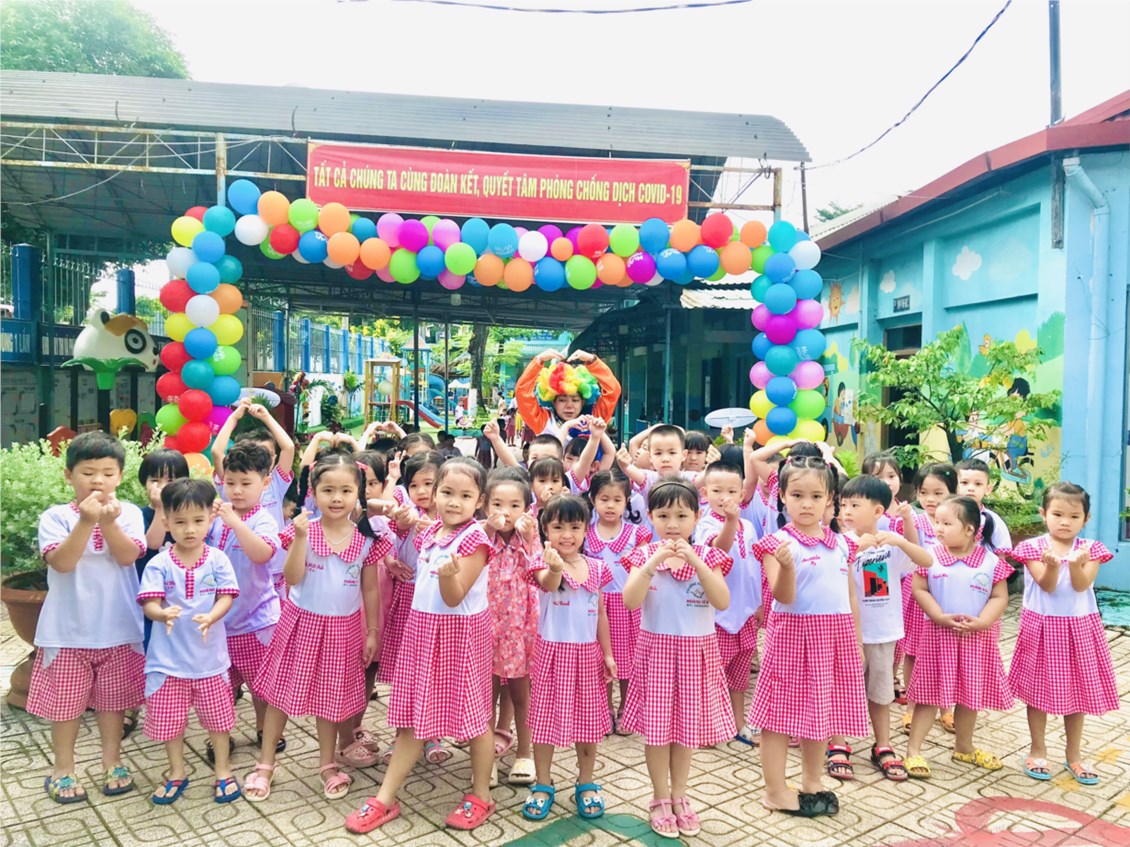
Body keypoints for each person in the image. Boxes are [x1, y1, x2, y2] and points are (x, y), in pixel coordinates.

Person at [346, 458, 495, 833]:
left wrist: (447, 576)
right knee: (414, 717)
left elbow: (454, 596)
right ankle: (385, 798)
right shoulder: (430, 533)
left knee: (475, 718)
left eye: (465, 496)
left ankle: (481, 794)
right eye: (447, 492)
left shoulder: (476, 540)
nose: (454, 502)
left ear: (479, 501)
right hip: (424, 633)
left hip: (459, 636)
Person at [244, 453, 390, 803]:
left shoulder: (366, 539)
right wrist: (299, 539)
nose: (336, 498)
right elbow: (292, 577)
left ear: (358, 493)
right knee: (280, 694)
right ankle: (266, 764)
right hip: (300, 624)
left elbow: (370, 589)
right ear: (313, 491)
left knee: (331, 698)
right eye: (328, 490)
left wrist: (372, 631)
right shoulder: (303, 530)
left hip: (343, 630)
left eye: (346, 490)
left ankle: (327, 764)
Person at [30, 432, 147, 804]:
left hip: (119, 629)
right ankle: (63, 769)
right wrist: (85, 522)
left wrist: (107, 523)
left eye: (108, 473)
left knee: (113, 704)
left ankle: (112, 762)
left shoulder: (129, 513)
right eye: (88, 472)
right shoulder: (55, 517)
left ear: (120, 476)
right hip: (66, 632)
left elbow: (127, 557)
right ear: (69, 475)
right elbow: (62, 563)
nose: (98, 481)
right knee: (65, 707)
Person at [749, 456, 867, 818]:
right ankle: (774, 790)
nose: (806, 504)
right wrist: (787, 567)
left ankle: (812, 781)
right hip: (793, 637)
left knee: (822, 710)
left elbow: (850, 595)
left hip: (835, 636)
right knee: (777, 716)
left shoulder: (842, 544)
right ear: (782, 496)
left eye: (816, 496)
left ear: (830, 499)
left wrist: (857, 641)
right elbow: (783, 596)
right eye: (797, 495)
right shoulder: (778, 543)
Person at [620, 480, 734, 838]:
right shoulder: (642, 556)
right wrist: (653, 562)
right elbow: (630, 601)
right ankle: (659, 797)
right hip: (656, 653)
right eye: (663, 515)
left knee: (686, 729)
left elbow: (722, 601)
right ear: (650, 516)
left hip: (696, 654)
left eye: (682, 516)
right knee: (657, 732)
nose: (672, 524)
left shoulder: (710, 557)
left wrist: (696, 561)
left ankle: (680, 795)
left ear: (697, 517)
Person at [139, 479, 241, 804]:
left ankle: (223, 771)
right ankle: (176, 772)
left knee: (219, 721)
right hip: (167, 663)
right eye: (180, 522)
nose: (190, 529)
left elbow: (226, 596)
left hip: (210, 661)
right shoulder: (159, 563)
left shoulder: (218, 559)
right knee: (170, 724)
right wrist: (161, 614)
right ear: (166, 521)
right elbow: (149, 603)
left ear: (210, 519)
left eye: (198, 520)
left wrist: (212, 616)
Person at [1008, 482, 1117, 785]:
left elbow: (1082, 585)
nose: (1065, 522)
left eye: (1074, 516)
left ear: (1086, 518)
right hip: (1041, 625)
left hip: (1080, 626)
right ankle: (1037, 750)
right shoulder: (1033, 547)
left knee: (1079, 690)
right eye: (1057, 514)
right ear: (1043, 514)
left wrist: (1078, 565)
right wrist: (1053, 566)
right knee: (1037, 689)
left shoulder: (1091, 549)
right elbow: (1047, 585)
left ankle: (1074, 755)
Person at [829, 474, 932, 782]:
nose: (847, 511)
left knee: (881, 693)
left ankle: (883, 744)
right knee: (843, 689)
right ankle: (838, 743)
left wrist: (900, 538)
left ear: (877, 511)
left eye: (855, 505)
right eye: (844, 504)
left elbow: (926, 560)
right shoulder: (838, 543)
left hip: (883, 633)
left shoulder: (890, 546)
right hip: (847, 633)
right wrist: (853, 548)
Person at [904, 495, 1013, 778]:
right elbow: (919, 589)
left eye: (946, 523)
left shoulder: (990, 561)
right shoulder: (929, 557)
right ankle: (913, 751)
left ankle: (964, 747)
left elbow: (1000, 596)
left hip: (976, 640)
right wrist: (938, 616)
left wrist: (983, 622)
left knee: (969, 695)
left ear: (969, 529)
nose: (938, 528)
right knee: (928, 695)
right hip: (938, 637)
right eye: (937, 522)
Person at [522, 495, 616, 821]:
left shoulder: (597, 568)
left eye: (575, 527)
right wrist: (555, 567)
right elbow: (549, 585)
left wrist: (607, 654)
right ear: (545, 529)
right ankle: (543, 783)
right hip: (551, 653)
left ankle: (586, 782)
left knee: (588, 723)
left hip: (587, 654)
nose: (566, 535)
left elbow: (600, 613)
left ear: (586, 529)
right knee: (544, 722)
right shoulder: (541, 563)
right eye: (558, 527)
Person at [204, 443, 284, 766]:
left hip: (256, 622)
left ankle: (265, 730)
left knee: (261, 686)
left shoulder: (263, 520)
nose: (236, 491)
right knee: (220, 687)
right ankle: (221, 736)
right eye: (230, 482)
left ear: (265, 483)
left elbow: (262, 554)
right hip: (219, 623)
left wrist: (234, 522)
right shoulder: (216, 517)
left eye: (245, 483)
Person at [379, 451, 447, 765]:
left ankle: (432, 734)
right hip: (408, 601)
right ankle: (402, 734)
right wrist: (401, 526)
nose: (421, 491)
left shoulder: (452, 520)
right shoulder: (407, 515)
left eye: (429, 483)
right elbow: (385, 527)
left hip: (440, 605)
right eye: (414, 485)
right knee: (405, 674)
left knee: (433, 672)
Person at [693, 460, 763, 747]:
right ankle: (706, 725)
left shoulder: (749, 526)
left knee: (739, 675)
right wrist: (731, 522)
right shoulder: (705, 524)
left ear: (742, 494)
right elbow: (718, 550)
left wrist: (759, 604)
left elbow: (755, 567)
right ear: (705, 493)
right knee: (712, 673)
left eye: (732, 491)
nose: (725, 497)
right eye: (717, 490)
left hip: (745, 614)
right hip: (718, 616)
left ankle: (737, 723)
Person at [125, 448, 190, 739]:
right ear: (144, 483)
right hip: (148, 602)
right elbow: (151, 544)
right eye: (156, 479)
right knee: (143, 654)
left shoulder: (187, 518)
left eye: (171, 480)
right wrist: (161, 509)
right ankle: (132, 708)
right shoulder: (141, 515)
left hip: (178, 601)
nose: (163, 486)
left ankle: (172, 704)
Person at [483, 468, 541, 788]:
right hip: (485, 627)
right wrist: (487, 530)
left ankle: (524, 753)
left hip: (521, 628)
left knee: (522, 693)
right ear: (484, 505)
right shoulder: (479, 535)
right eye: (497, 504)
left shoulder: (531, 537)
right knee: (485, 695)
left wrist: (529, 539)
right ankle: (484, 760)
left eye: (515, 505)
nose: (505, 512)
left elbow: (540, 570)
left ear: (526, 509)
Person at [585, 470, 650, 735]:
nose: (610, 506)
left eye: (617, 500)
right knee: (602, 659)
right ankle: (604, 709)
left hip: (627, 606)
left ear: (627, 501)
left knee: (627, 660)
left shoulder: (637, 534)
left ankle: (626, 707)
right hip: (596, 607)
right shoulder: (585, 533)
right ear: (592, 499)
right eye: (604, 499)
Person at [211, 399, 296, 602]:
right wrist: (233, 417)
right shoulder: (230, 490)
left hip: (274, 564)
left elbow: (288, 447)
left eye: (268, 454)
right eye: (231, 483)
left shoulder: (275, 481)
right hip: (233, 574)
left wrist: (266, 417)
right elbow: (217, 452)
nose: (238, 490)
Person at [901, 462, 958, 732]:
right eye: (924, 492)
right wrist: (906, 519)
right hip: (919, 595)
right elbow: (912, 548)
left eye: (938, 493)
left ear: (952, 492)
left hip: (949, 595)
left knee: (946, 653)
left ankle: (946, 707)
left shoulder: (960, 521)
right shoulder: (916, 520)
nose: (930, 499)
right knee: (913, 652)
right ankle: (911, 708)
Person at [515, 348, 621, 443]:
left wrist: (592, 360)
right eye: (562, 400)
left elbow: (613, 390)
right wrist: (538, 360)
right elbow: (522, 393)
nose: (569, 406)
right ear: (553, 401)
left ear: (583, 402)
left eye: (575, 400)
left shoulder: (593, 418)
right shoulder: (543, 420)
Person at [955, 458, 1013, 551]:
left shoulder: (993, 520)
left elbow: (1001, 555)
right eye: (964, 483)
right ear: (955, 486)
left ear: (988, 489)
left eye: (978, 484)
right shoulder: (944, 516)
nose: (971, 488)